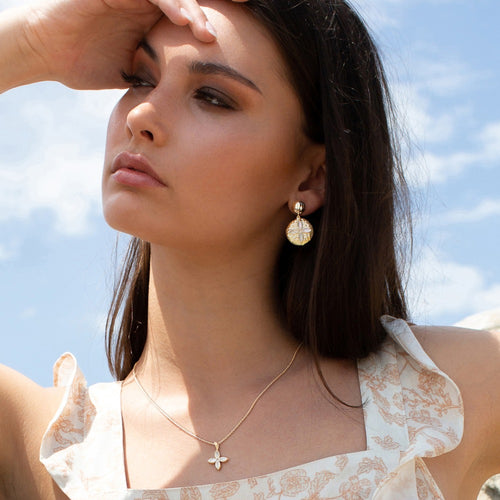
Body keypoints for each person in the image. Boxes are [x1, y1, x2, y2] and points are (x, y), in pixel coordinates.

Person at [0, 0, 499, 498]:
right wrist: (32, 45)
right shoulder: (55, 445)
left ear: (311, 176)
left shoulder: (447, 393)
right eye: (140, 78)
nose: (143, 115)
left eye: (213, 97)